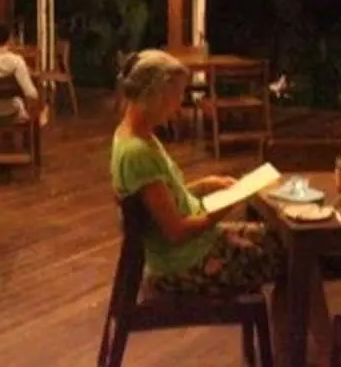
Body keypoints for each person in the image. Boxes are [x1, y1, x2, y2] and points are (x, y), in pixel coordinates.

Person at [111, 49, 285, 295]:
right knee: (289, 255)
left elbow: (161, 201)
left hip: (194, 246)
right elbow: (177, 231)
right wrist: (224, 206)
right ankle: (295, 321)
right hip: (183, 262)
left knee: (279, 239)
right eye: (177, 95)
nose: (179, 104)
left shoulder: (134, 135)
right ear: (157, 96)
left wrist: (206, 184)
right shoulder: (137, 153)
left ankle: (289, 319)